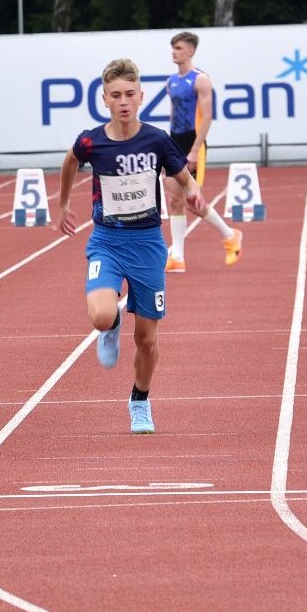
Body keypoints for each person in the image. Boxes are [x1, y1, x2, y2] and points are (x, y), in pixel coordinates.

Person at [54, 57, 206, 434]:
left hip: (148, 245)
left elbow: (185, 179)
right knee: (102, 315)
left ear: (141, 97)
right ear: (104, 99)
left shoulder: (156, 140)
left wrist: (195, 192)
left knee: (147, 339)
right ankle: (112, 324)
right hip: (106, 240)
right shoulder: (92, 141)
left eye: (129, 95)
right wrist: (62, 204)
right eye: (115, 95)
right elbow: (70, 160)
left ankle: (140, 400)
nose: (123, 101)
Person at [161, 31, 244, 272]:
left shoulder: (201, 80)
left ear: (190, 51)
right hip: (175, 143)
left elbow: (207, 117)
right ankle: (177, 256)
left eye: (178, 48)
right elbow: (173, 115)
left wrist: (195, 150)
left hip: (193, 143)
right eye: (173, 48)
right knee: (174, 199)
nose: (174, 52)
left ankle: (230, 235)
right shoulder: (171, 82)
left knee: (192, 200)